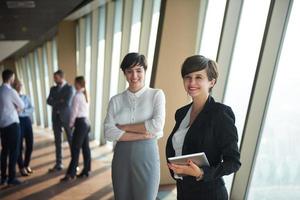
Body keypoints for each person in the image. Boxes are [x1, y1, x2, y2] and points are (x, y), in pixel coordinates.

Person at [166, 55, 241, 200]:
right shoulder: (181, 113)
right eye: (188, 77)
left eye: (199, 77)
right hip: (184, 190)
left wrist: (201, 173)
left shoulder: (220, 114)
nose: (192, 82)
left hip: (209, 193)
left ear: (211, 82)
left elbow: (233, 162)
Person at [104, 53, 166, 200]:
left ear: (145, 71)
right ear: (124, 73)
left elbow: (157, 126)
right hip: (121, 158)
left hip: (147, 157)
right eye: (129, 71)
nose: (134, 75)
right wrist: (142, 134)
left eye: (139, 70)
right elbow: (108, 132)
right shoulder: (116, 100)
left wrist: (124, 127)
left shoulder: (156, 95)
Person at [61, 76, 91, 181]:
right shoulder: (85, 94)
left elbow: (74, 113)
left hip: (80, 124)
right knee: (86, 148)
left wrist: (70, 125)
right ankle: (86, 171)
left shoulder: (77, 96)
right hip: (86, 123)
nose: (74, 84)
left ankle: (71, 174)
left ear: (78, 84)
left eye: (75, 83)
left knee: (75, 149)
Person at [47, 70, 75, 172]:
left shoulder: (69, 88)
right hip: (56, 118)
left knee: (71, 141)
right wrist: (60, 100)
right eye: (54, 78)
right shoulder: (52, 88)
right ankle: (59, 163)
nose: (54, 80)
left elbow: (67, 102)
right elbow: (48, 101)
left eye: (56, 78)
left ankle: (74, 164)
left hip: (67, 118)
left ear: (61, 77)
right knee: (57, 142)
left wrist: (55, 101)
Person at [0, 69, 24, 186]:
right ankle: (12, 178)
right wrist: (16, 109)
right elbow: (22, 105)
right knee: (14, 151)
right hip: (13, 124)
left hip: (2, 126)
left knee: (4, 152)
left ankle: (3, 177)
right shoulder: (11, 91)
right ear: (10, 78)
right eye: (13, 78)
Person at [13, 80, 34, 177]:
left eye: (21, 84)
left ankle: (26, 164)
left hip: (27, 121)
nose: (20, 86)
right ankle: (21, 167)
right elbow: (14, 112)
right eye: (18, 84)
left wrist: (23, 110)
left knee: (30, 145)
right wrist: (23, 111)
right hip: (18, 122)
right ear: (14, 86)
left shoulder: (26, 97)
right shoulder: (13, 97)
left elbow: (31, 109)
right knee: (19, 146)